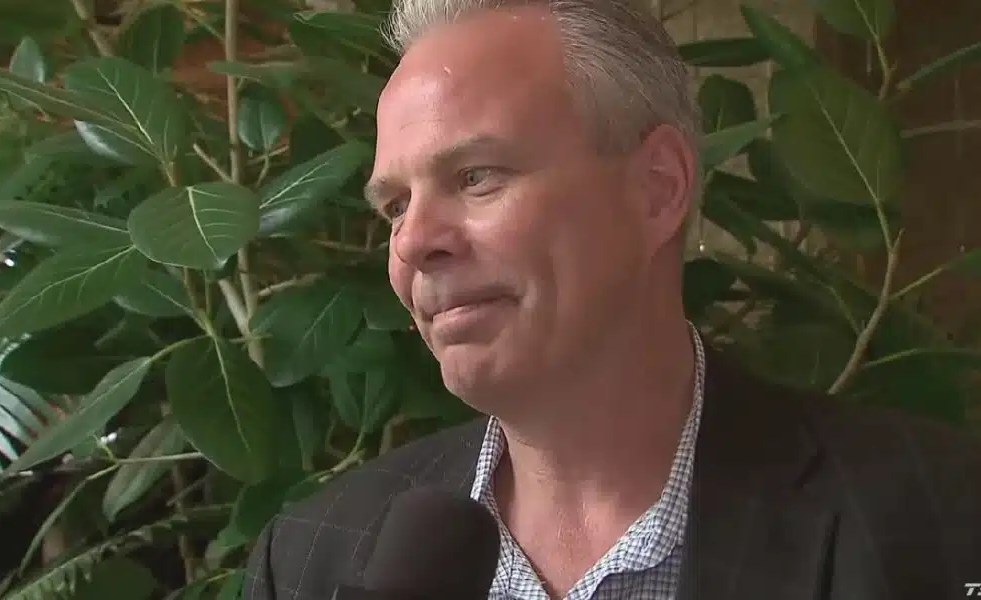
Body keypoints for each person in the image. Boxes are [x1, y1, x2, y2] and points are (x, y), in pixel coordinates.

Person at [242, 0, 981, 598]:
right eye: (395, 206)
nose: (412, 244)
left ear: (657, 188)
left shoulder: (937, 521)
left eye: (476, 177)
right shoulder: (309, 557)